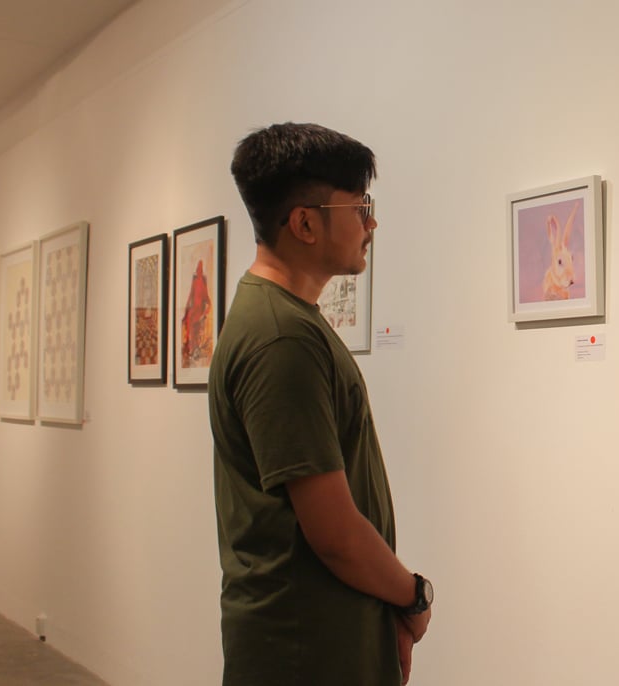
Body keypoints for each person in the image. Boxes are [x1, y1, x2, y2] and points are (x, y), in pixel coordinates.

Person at [209, 122, 432, 686]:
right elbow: (331, 529)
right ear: (305, 223)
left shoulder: (284, 320)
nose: (371, 223)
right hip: (303, 648)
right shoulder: (281, 337)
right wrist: (412, 594)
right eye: (359, 207)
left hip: (318, 635)